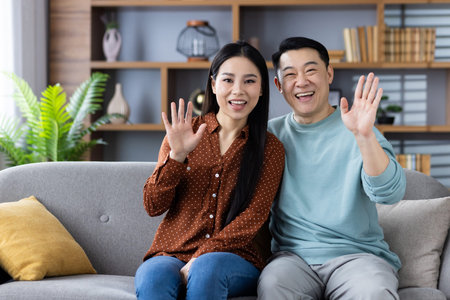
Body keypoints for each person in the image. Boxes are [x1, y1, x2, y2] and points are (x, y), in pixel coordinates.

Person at [257, 37, 406, 300]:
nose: (301, 81)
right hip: (293, 259)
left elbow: (389, 194)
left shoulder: (358, 126)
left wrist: (364, 137)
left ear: (328, 74)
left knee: (373, 292)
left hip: (358, 257)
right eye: (290, 74)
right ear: (279, 85)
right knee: (272, 286)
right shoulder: (270, 135)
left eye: (311, 70)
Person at [135, 41, 285, 300]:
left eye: (249, 81)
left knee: (207, 269)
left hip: (237, 257)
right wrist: (177, 155)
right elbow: (152, 206)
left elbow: (253, 217)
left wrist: (201, 256)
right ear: (214, 84)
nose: (238, 91)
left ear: (261, 89)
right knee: (154, 277)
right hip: (171, 252)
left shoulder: (270, 149)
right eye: (228, 80)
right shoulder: (184, 132)